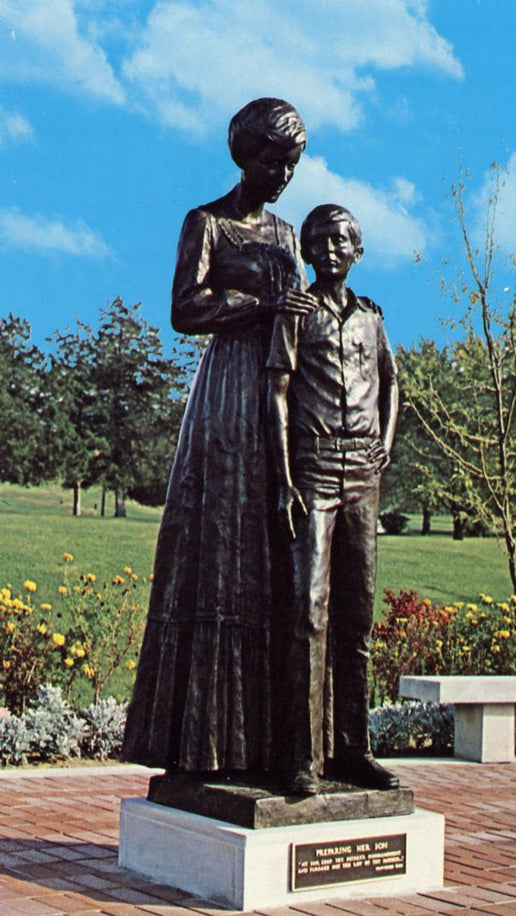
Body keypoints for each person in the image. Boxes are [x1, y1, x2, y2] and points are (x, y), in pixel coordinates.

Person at [122, 98, 315, 776]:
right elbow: (184, 308)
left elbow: (300, 315)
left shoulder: (288, 235)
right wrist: (255, 306)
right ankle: (198, 745)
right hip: (225, 399)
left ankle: (262, 745)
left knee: (266, 557)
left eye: (292, 164)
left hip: (273, 397)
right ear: (245, 157)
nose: (284, 175)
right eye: (273, 162)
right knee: (216, 554)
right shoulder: (206, 224)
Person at [267, 204, 400, 795]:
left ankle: (353, 750)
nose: (328, 249)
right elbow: (276, 391)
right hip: (315, 469)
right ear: (306, 251)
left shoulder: (371, 317)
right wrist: (285, 478)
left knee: (358, 618)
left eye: (340, 240)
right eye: (318, 241)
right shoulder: (298, 312)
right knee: (309, 611)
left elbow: (393, 384)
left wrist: (386, 446)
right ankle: (302, 758)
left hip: (363, 477)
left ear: (357, 250)